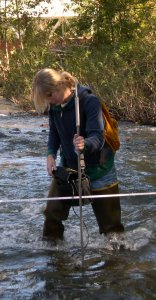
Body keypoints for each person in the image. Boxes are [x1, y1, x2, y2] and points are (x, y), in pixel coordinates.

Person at [32, 68, 124, 242]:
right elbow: (54, 133)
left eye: (50, 96)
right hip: (69, 168)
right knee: (51, 215)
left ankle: (116, 264)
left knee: (112, 230)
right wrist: (50, 154)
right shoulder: (54, 106)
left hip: (99, 169)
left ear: (59, 85)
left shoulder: (89, 101)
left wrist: (84, 144)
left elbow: (98, 138)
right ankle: (54, 257)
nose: (49, 102)